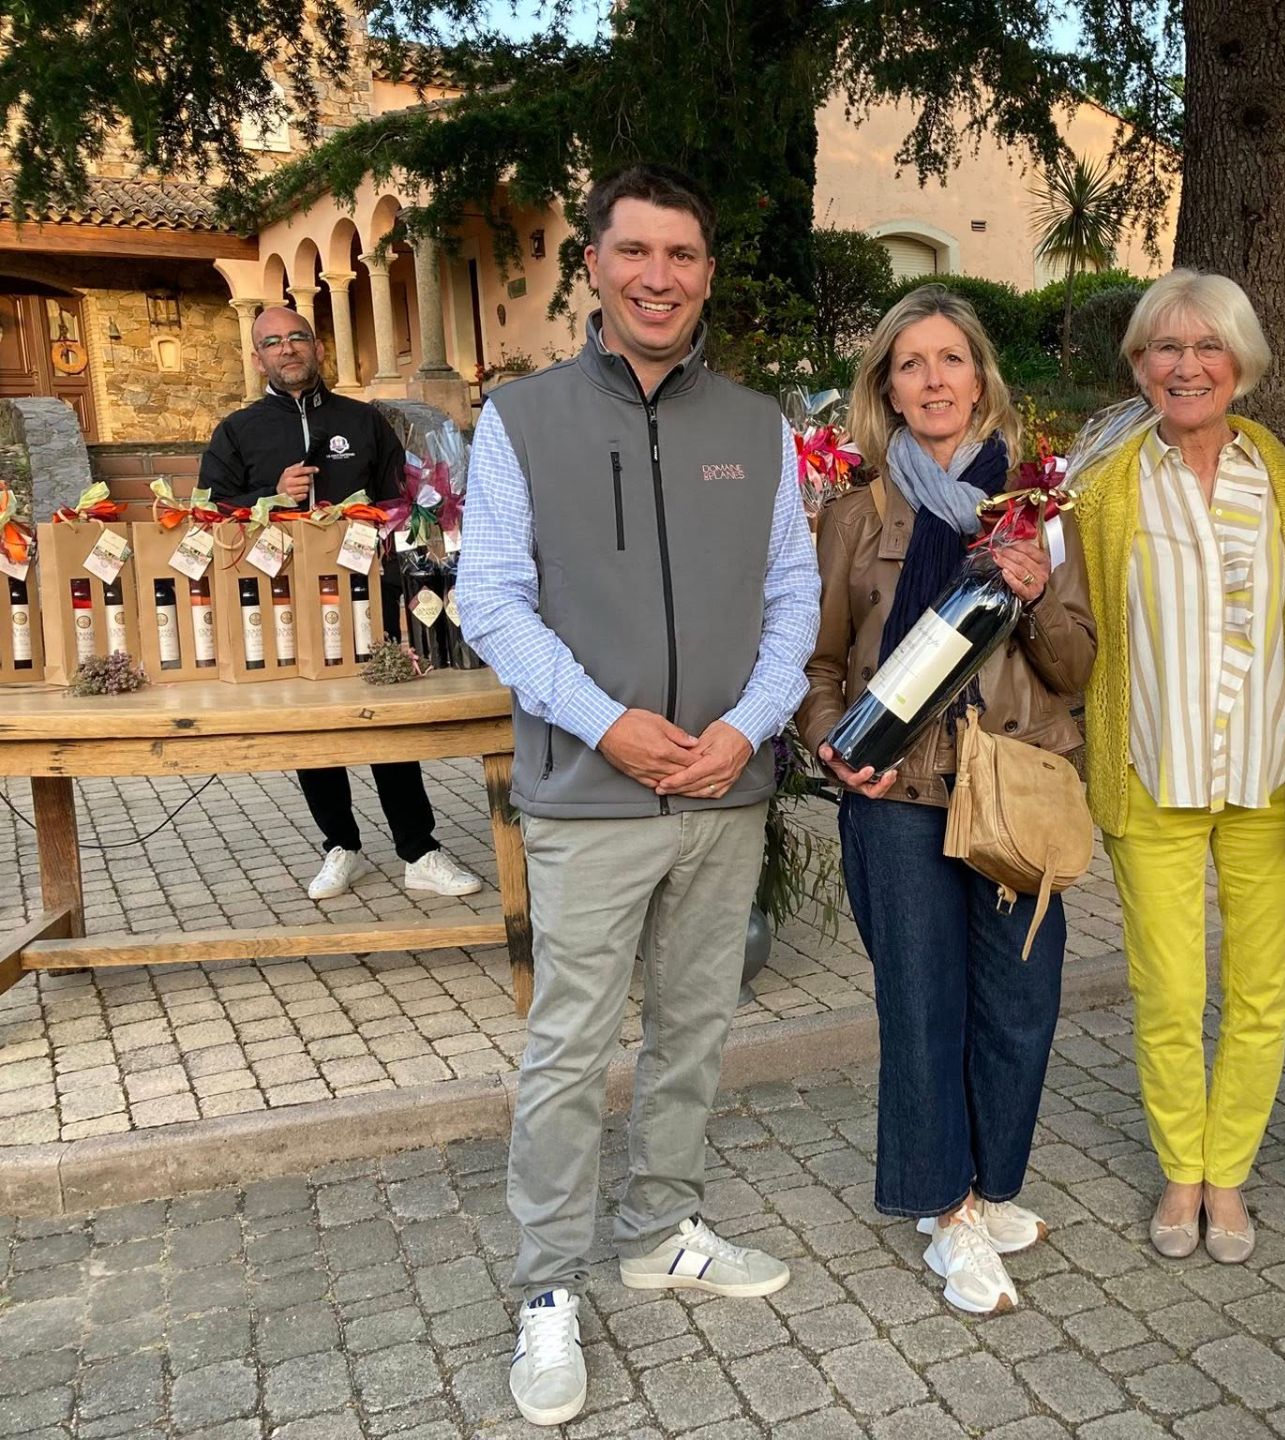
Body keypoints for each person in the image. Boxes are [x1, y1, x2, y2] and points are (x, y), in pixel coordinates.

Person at [460, 164, 819, 1428]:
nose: (658, 277)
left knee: (695, 1027)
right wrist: (606, 720)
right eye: (634, 252)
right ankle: (548, 1285)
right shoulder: (520, 422)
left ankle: (661, 1229)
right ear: (596, 266)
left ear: (707, 274)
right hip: (587, 793)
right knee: (568, 1049)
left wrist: (744, 728)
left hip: (724, 787)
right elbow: (490, 598)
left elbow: (793, 597)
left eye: (682, 255)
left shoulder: (759, 427)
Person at [797, 285, 1095, 1315]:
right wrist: (833, 746)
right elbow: (818, 661)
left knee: (1019, 1003)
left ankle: (988, 1182)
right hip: (897, 793)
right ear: (886, 388)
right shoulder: (854, 515)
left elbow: (1076, 667)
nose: (933, 380)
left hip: (1015, 786)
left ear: (980, 378)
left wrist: (1037, 592)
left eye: (950, 360)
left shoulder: (1042, 513)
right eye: (910, 364)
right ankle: (950, 1208)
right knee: (922, 1010)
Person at [1073, 270, 1285, 1265]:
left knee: (1261, 992)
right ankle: (1182, 1169)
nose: (1186, 366)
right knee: (1169, 991)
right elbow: (1068, 621)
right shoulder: (1101, 485)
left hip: (1270, 777)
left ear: (1241, 363)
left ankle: (1229, 1173)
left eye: (1207, 346)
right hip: (1151, 770)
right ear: (1139, 365)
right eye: (1164, 348)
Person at [199, 304, 482, 902]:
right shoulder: (238, 431)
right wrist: (269, 495)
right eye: (272, 342)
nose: (287, 349)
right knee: (314, 727)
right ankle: (341, 845)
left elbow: (400, 502)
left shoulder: (362, 420)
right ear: (257, 358)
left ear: (318, 347)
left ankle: (418, 850)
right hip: (282, 602)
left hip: (369, 597)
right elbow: (208, 511)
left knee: (387, 721)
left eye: (297, 337)